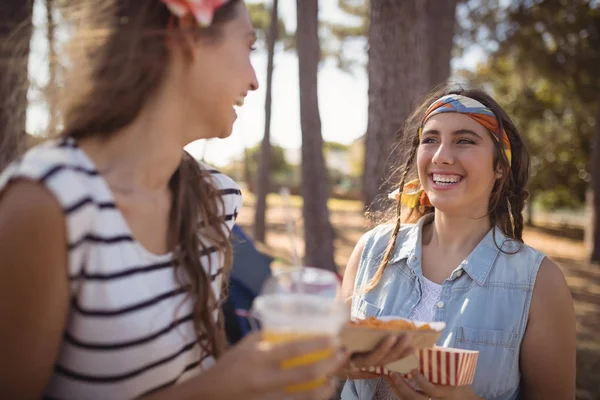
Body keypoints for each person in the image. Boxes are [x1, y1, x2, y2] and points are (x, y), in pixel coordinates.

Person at [0, 1, 354, 399]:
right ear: (188, 35)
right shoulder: (48, 204)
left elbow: (200, 367)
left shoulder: (217, 198)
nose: (255, 81)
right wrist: (222, 385)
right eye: (249, 47)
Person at [340, 88, 576, 399]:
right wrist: (342, 362)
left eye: (464, 140)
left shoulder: (540, 282)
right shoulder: (372, 251)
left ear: (500, 166)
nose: (441, 156)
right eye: (431, 139)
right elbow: (327, 362)